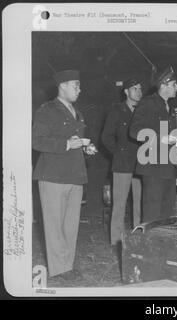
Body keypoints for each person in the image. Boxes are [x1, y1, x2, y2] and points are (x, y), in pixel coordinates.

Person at [32, 70, 96, 280]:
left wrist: (86, 149)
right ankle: (59, 270)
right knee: (54, 226)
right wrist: (67, 144)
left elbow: (78, 141)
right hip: (53, 175)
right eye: (76, 85)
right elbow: (36, 141)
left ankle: (66, 267)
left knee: (70, 226)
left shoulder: (77, 113)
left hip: (75, 175)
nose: (80, 89)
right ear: (62, 85)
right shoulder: (47, 110)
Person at [129, 66, 177, 223]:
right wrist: (160, 139)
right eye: (174, 84)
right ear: (163, 85)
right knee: (152, 214)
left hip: (168, 167)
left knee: (166, 213)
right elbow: (134, 130)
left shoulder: (168, 107)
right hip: (153, 167)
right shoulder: (148, 103)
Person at [101, 78, 143, 245]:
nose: (138, 92)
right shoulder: (117, 111)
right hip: (122, 164)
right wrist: (118, 153)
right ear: (126, 91)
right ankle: (116, 242)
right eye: (134, 88)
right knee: (119, 205)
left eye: (140, 89)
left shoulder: (143, 111)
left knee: (140, 203)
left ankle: (138, 239)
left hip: (141, 164)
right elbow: (106, 137)